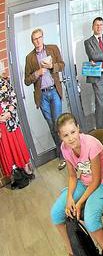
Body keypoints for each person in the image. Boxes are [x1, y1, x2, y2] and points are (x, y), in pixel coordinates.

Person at [49, 113, 103, 256]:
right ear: (60, 136)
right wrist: (69, 200)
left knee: (90, 218)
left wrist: (79, 203)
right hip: (84, 182)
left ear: (78, 129)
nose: (71, 138)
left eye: (73, 132)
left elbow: (96, 180)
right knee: (56, 214)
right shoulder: (65, 149)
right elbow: (73, 177)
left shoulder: (91, 144)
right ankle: (73, 251)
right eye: (65, 135)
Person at [23, 27, 66, 170]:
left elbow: (62, 65)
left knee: (58, 123)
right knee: (51, 125)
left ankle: (66, 152)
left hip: (54, 91)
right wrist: (37, 73)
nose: (38, 40)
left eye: (39, 37)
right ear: (32, 41)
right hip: (42, 96)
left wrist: (52, 66)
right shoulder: (29, 58)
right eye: (35, 39)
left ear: (43, 37)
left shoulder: (53, 49)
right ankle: (62, 154)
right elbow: (27, 80)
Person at [0, 68, 34, 178]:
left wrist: (9, 111)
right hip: (0, 125)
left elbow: (13, 97)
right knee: (6, 148)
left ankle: (25, 169)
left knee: (18, 144)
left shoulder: (4, 82)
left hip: (10, 120)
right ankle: (15, 175)